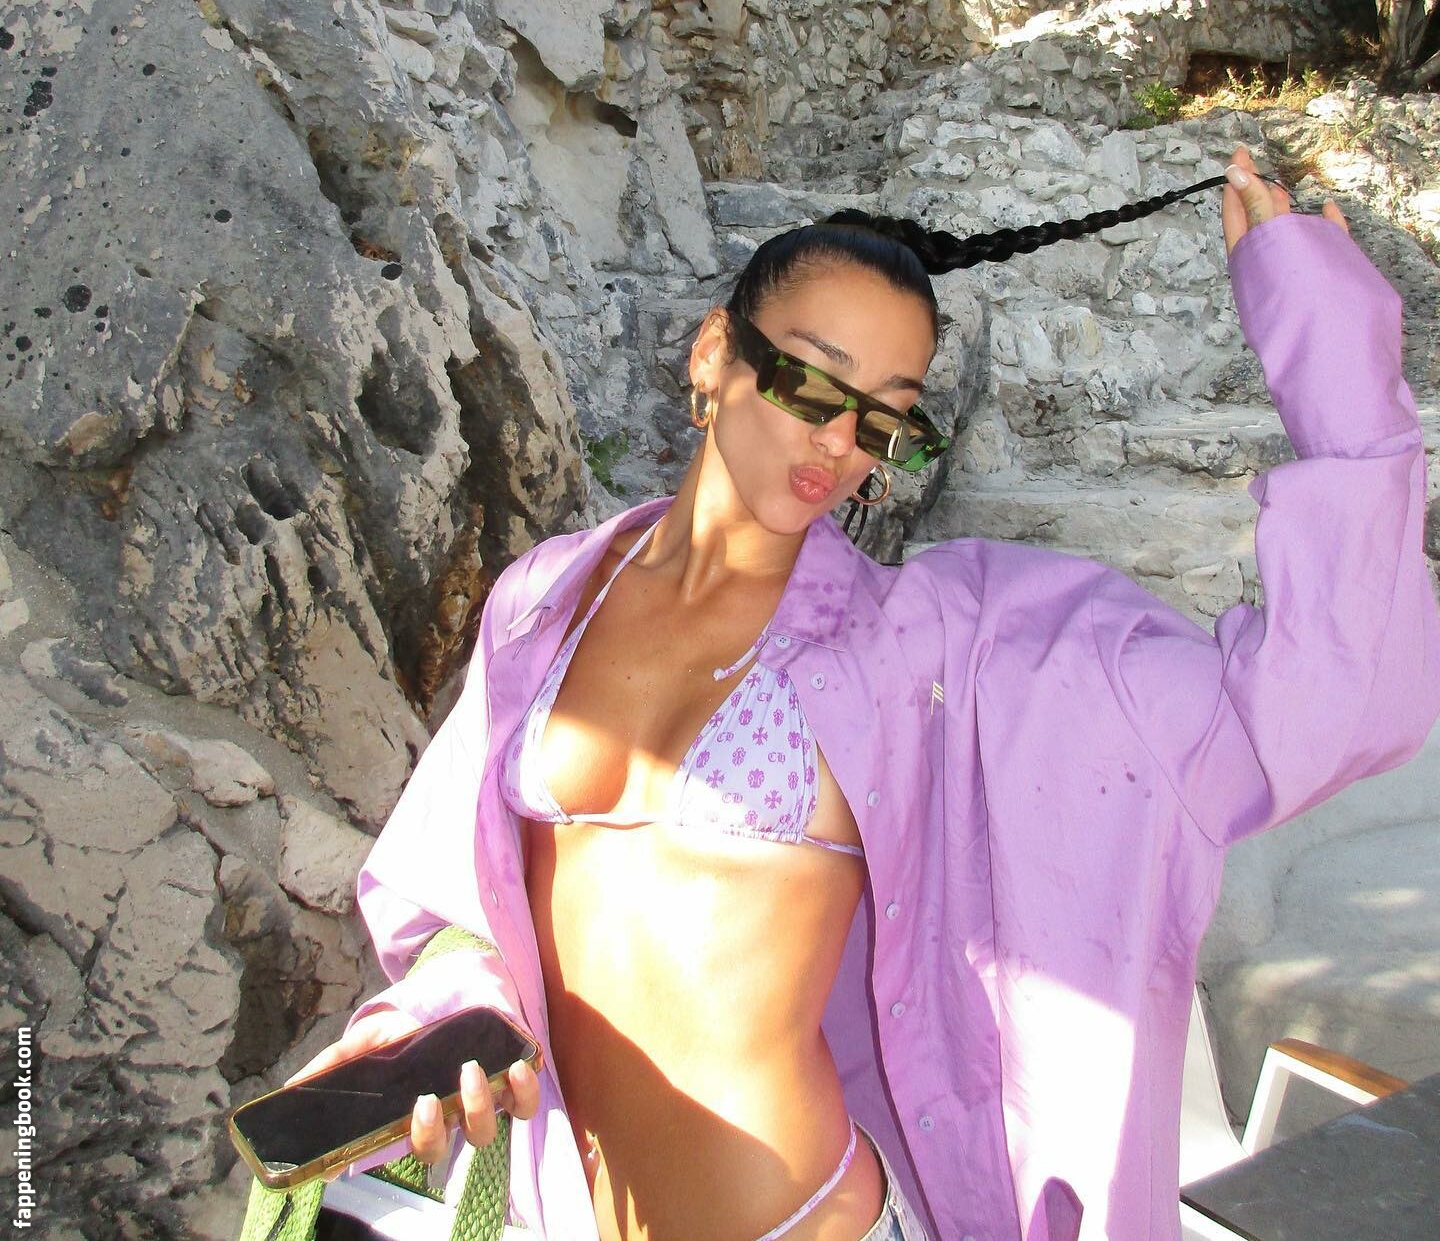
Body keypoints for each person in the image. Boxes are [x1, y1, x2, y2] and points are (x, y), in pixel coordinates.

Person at [286, 145, 1440, 1241]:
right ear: (714, 354)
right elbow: (464, 894)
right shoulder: (547, 601)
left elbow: (1310, 708)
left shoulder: (932, 649)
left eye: (886, 415)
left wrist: (1329, 348)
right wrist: (437, 1014)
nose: (842, 439)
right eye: (809, 379)